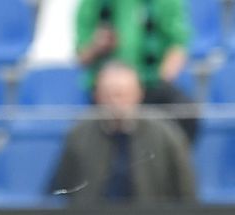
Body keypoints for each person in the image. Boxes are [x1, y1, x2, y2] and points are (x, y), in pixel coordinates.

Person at [50, 62, 196, 204]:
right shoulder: (79, 134)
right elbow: (59, 189)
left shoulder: (165, 134)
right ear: (97, 96)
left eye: (122, 94)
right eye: (108, 95)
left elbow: (186, 193)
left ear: (139, 94)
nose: (115, 102)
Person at [75, 0, 198, 142]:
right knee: (87, 130)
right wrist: (97, 45)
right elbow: (82, 56)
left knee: (186, 112)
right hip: (107, 89)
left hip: (151, 83)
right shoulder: (92, 3)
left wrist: (160, 79)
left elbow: (178, 45)